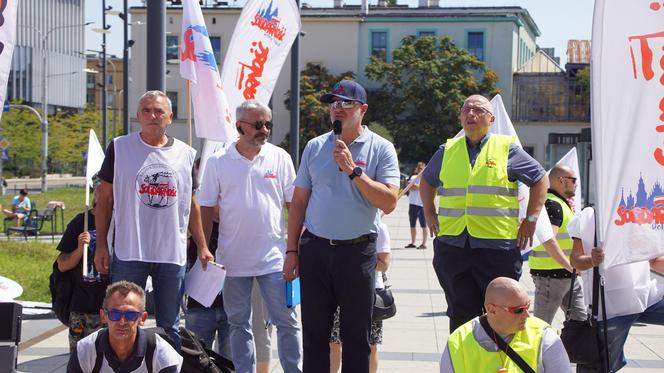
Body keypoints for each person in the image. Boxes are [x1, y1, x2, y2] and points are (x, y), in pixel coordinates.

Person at [284, 79, 400, 372]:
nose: (337, 109)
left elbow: (388, 202)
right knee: (313, 335)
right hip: (316, 250)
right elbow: (298, 203)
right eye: (333, 104)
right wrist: (291, 251)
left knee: (356, 337)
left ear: (363, 109)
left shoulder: (381, 148)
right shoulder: (314, 147)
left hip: (357, 251)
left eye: (345, 103)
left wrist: (353, 170)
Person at [419, 94, 548, 332]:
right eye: (466, 109)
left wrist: (531, 219)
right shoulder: (447, 149)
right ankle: (465, 363)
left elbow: (540, 179)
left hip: (496, 249)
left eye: (478, 110)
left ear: (491, 119)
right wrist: (429, 211)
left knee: (501, 316)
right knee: (460, 315)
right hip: (453, 247)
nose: (470, 114)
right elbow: (426, 181)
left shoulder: (506, 148)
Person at [94, 90, 210, 349]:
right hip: (129, 250)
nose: (152, 115)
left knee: (170, 325)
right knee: (123, 319)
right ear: (138, 116)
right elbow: (105, 200)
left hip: (171, 253)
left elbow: (191, 204)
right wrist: (101, 244)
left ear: (170, 117)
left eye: (159, 111)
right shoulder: (120, 147)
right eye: (146, 110)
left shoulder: (186, 154)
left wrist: (202, 246)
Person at [198, 100, 302, 373]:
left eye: (268, 124)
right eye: (258, 124)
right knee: (238, 324)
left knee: (287, 322)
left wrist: (295, 249)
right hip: (232, 262)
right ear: (239, 126)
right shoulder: (218, 162)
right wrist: (204, 247)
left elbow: (294, 206)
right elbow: (206, 207)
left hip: (275, 260)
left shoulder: (280, 157)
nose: (264, 129)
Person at [570, 206, 664, 372]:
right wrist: (592, 260)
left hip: (646, 297)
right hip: (610, 309)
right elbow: (576, 261)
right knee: (600, 367)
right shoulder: (589, 216)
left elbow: (654, 260)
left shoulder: (639, 212)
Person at [441, 277, 570, 372]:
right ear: (491, 309)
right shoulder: (458, 342)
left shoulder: (544, 336)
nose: (527, 316)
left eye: (528, 307)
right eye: (518, 310)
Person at [67, 280, 183, 372]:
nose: (122, 321)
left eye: (130, 315)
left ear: (142, 318)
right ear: (103, 316)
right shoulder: (85, 350)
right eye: (115, 314)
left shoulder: (162, 355)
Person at [329, 220, 391, 373]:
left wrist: (361, 259)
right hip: (338, 291)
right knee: (334, 342)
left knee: (370, 344)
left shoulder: (380, 227)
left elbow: (384, 264)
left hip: (370, 293)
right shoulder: (339, 224)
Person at [529, 165, 586, 324]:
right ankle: (534, 349)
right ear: (561, 180)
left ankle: (574, 348)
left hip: (565, 275)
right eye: (573, 180)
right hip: (551, 277)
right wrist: (570, 265)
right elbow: (549, 239)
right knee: (541, 326)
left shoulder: (560, 203)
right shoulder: (553, 205)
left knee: (581, 322)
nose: (576, 184)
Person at [56, 182, 110, 351]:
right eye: (101, 189)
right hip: (82, 307)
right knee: (78, 359)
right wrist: (80, 249)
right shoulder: (81, 222)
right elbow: (62, 265)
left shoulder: (122, 222)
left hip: (113, 310)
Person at [405, 162, 428, 249]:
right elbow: (409, 187)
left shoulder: (426, 179)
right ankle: (413, 242)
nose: (419, 170)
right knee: (412, 224)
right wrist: (416, 186)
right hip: (412, 204)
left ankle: (424, 243)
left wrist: (415, 186)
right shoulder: (413, 177)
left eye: (421, 169)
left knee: (423, 225)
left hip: (422, 205)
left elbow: (420, 187)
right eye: (418, 168)